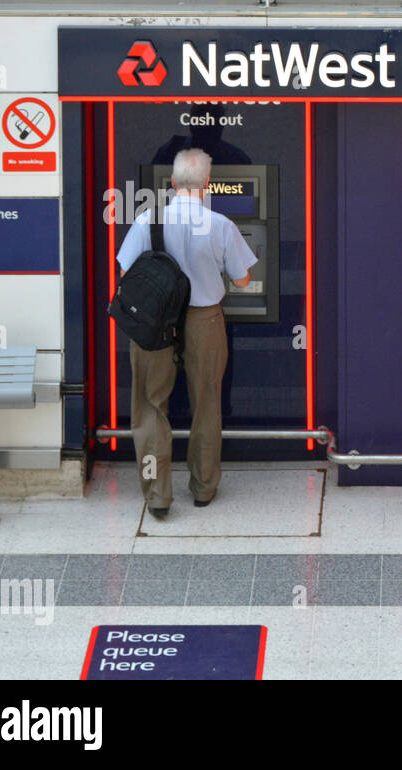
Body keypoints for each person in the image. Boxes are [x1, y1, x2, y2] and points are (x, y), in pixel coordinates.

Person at [115, 148, 257, 518]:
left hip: (155, 323)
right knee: (206, 403)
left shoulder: (149, 220)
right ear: (207, 184)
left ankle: (157, 495)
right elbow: (243, 278)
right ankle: (204, 487)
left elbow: (126, 275)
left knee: (149, 406)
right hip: (204, 321)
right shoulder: (221, 224)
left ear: (173, 183)